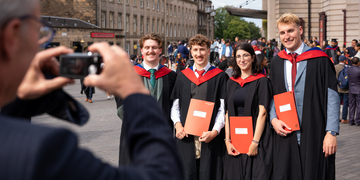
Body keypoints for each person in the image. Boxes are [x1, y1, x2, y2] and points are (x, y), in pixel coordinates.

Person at [0, 0, 183, 179]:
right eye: (39, 30)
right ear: (12, 35)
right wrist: (134, 92)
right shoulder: (43, 147)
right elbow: (163, 171)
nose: (43, 39)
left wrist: (20, 96)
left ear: (160, 50)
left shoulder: (170, 75)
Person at [269, 13, 339, 180]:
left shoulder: (320, 59)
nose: (287, 36)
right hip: (286, 132)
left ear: (300, 30)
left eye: (290, 31)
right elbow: (273, 96)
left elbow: (332, 97)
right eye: (282, 32)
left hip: (315, 130)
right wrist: (273, 120)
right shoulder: (277, 62)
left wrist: (331, 132)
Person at [171, 34, 228, 180]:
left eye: (202, 50)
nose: (199, 54)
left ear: (209, 51)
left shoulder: (219, 76)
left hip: (209, 136)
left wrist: (215, 131)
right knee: (187, 172)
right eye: (195, 50)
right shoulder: (183, 76)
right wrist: (177, 125)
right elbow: (175, 106)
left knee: (209, 173)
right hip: (186, 136)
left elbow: (222, 108)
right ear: (190, 51)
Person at [115, 33, 177, 166]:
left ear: (160, 50)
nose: (151, 51)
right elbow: (121, 107)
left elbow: (175, 106)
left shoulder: (171, 76)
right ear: (141, 50)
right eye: (147, 47)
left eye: (154, 47)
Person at [223, 43, 273, 180]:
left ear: (252, 57)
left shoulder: (262, 81)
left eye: (245, 55)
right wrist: (227, 140)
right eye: (238, 56)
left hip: (257, 137)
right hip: (235, 139)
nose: (242, 59)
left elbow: (263, 112)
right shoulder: (231, 82)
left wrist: (255, 142)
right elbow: (227, 112)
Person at [335, 56, 350, 124]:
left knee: (337, 104)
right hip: (346, 89)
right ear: (344, 60)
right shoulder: (348, 68)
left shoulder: (335, 67)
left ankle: (336, 118)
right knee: (345, 104)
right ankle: (344, 118)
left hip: (338, 88)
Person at [347, 57, 360, 126]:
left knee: (351, 105)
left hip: (351, 89)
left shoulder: (348, 69)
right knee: (359, 105)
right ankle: (358, 120)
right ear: (358, 62)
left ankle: (351, 120)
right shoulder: (359, 70)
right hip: (358, 89)